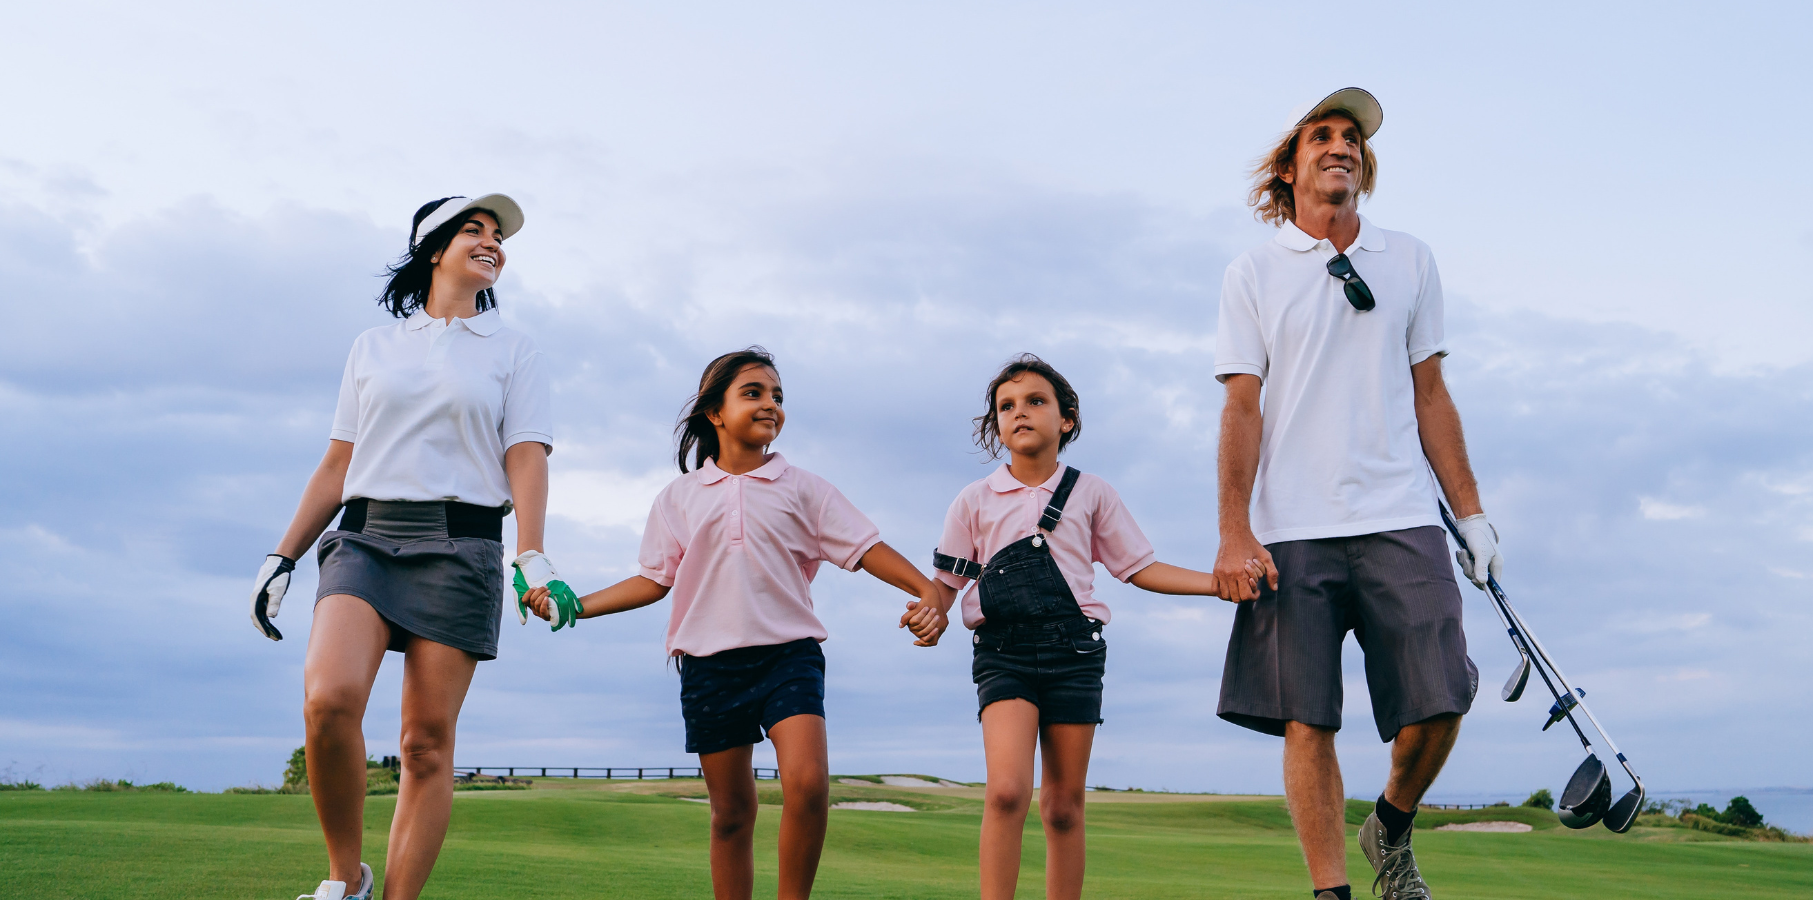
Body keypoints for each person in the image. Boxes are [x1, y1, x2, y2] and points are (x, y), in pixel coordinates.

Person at [1210, 89, 1501, 900]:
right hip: (1292, 528)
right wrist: (1235, 532)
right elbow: (1241, 405)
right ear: (1291, 164)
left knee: (1444, 695)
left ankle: (1393, 826)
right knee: (1309, 720)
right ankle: (1331, 892)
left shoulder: (1410, 258)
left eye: (1353, 139)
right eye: (1323, 135)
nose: (1341, 145)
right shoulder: (1253, 271)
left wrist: (1470, 513)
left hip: (1401, 516)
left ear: (1363, 167)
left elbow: (1432, 395)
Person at [521, 346, 946, 900]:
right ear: (714, 413)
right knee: (730, 815)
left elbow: (866, 548)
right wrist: (575, 604)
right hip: (706, 665)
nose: (770, 404)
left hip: (787, 654)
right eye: (753, 393)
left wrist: (926, 590)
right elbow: (653, 580)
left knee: (808, 785)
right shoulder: (678, 498)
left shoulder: (805, 488)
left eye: (777, 395)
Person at [248, 194, 570, 900]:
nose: (491, 242)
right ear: (434, 249)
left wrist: (532, 552)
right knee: (328, 699)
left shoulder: (515, 350)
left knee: (426, 743)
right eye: (473, 230)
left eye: (497, 236)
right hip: (365, 536)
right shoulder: (372, 346)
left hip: (464, 546)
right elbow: (337, 462)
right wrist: (284, 557)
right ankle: (345, 880)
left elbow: (526, 456)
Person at [929, 354, 1224, 900]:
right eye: (1007, 407)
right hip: (1004, 652)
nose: (1020, 413)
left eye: (1036, 402)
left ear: (1066, 419)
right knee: (1007, 793)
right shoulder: (973, 500)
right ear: (997, 426)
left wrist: (1217, 583)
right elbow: (945, 585)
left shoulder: (1092, 493)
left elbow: (1139, 568)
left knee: (1063, 805)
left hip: (1076, 654)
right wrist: (930, 612)